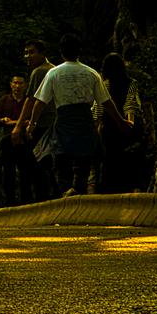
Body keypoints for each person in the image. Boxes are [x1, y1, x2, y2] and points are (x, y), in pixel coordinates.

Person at [28, 34, 133, 197]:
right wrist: (120, 121)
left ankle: (66, 192)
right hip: (85, 121)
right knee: (84, 161)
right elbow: (106, 101)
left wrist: (32, 123)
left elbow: (40, 101)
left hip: (64, 120)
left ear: (61, 52)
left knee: (62, 160)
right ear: (79, 51)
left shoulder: (54, 73)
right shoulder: (91, 73)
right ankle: (78, 190)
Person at [95, 52, 147, 193]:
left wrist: (96, 126)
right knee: (127, 160)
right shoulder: (132, 83)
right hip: (125, 126)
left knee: (109, 160)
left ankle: (109, 191)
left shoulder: (104, 84)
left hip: (108, 127)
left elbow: (99, 107)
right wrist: (130, 122)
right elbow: (131, 103)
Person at [12, 39, 57, 200]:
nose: (27, 56)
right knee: (47, 165)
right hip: (53, 124)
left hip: (42, 124)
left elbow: (31, 100)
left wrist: (18, 127)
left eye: (31, 52)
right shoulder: (54, 69)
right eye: (26, 52)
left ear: (42, 53)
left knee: (34, 165)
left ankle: (35, 200)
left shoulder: (40, 71)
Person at [0, 74, 32, 204]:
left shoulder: (28, 101)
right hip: (8, 140)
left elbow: (32, 120)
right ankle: (9, 203)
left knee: (25, 173)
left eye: (20, 83)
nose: (17, 86)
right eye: (15, 83)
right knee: (8, 173)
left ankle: (26, 202)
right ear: (11, 84)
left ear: (25, 85)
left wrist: (17, 123)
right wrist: (3, 120)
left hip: (24, 141)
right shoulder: (4, 100)